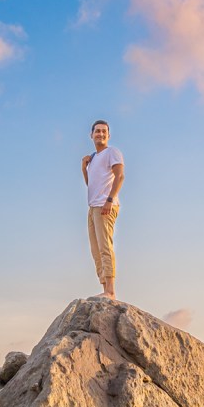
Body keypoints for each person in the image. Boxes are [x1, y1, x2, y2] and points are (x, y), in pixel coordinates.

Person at [81, 119, 125, 299]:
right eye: (97, 131)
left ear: (108, 135)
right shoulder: (93, 158)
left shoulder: (112, 152)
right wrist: (84, 168)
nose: (100, 134)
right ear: (91, 135)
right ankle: (105, 288)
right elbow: (90, 184)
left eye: (103, 131)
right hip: (93, 207)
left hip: (105, 205)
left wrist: (109, 200)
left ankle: (111, 290)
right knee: (96, 249)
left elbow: (120, 176)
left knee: (105, 246)